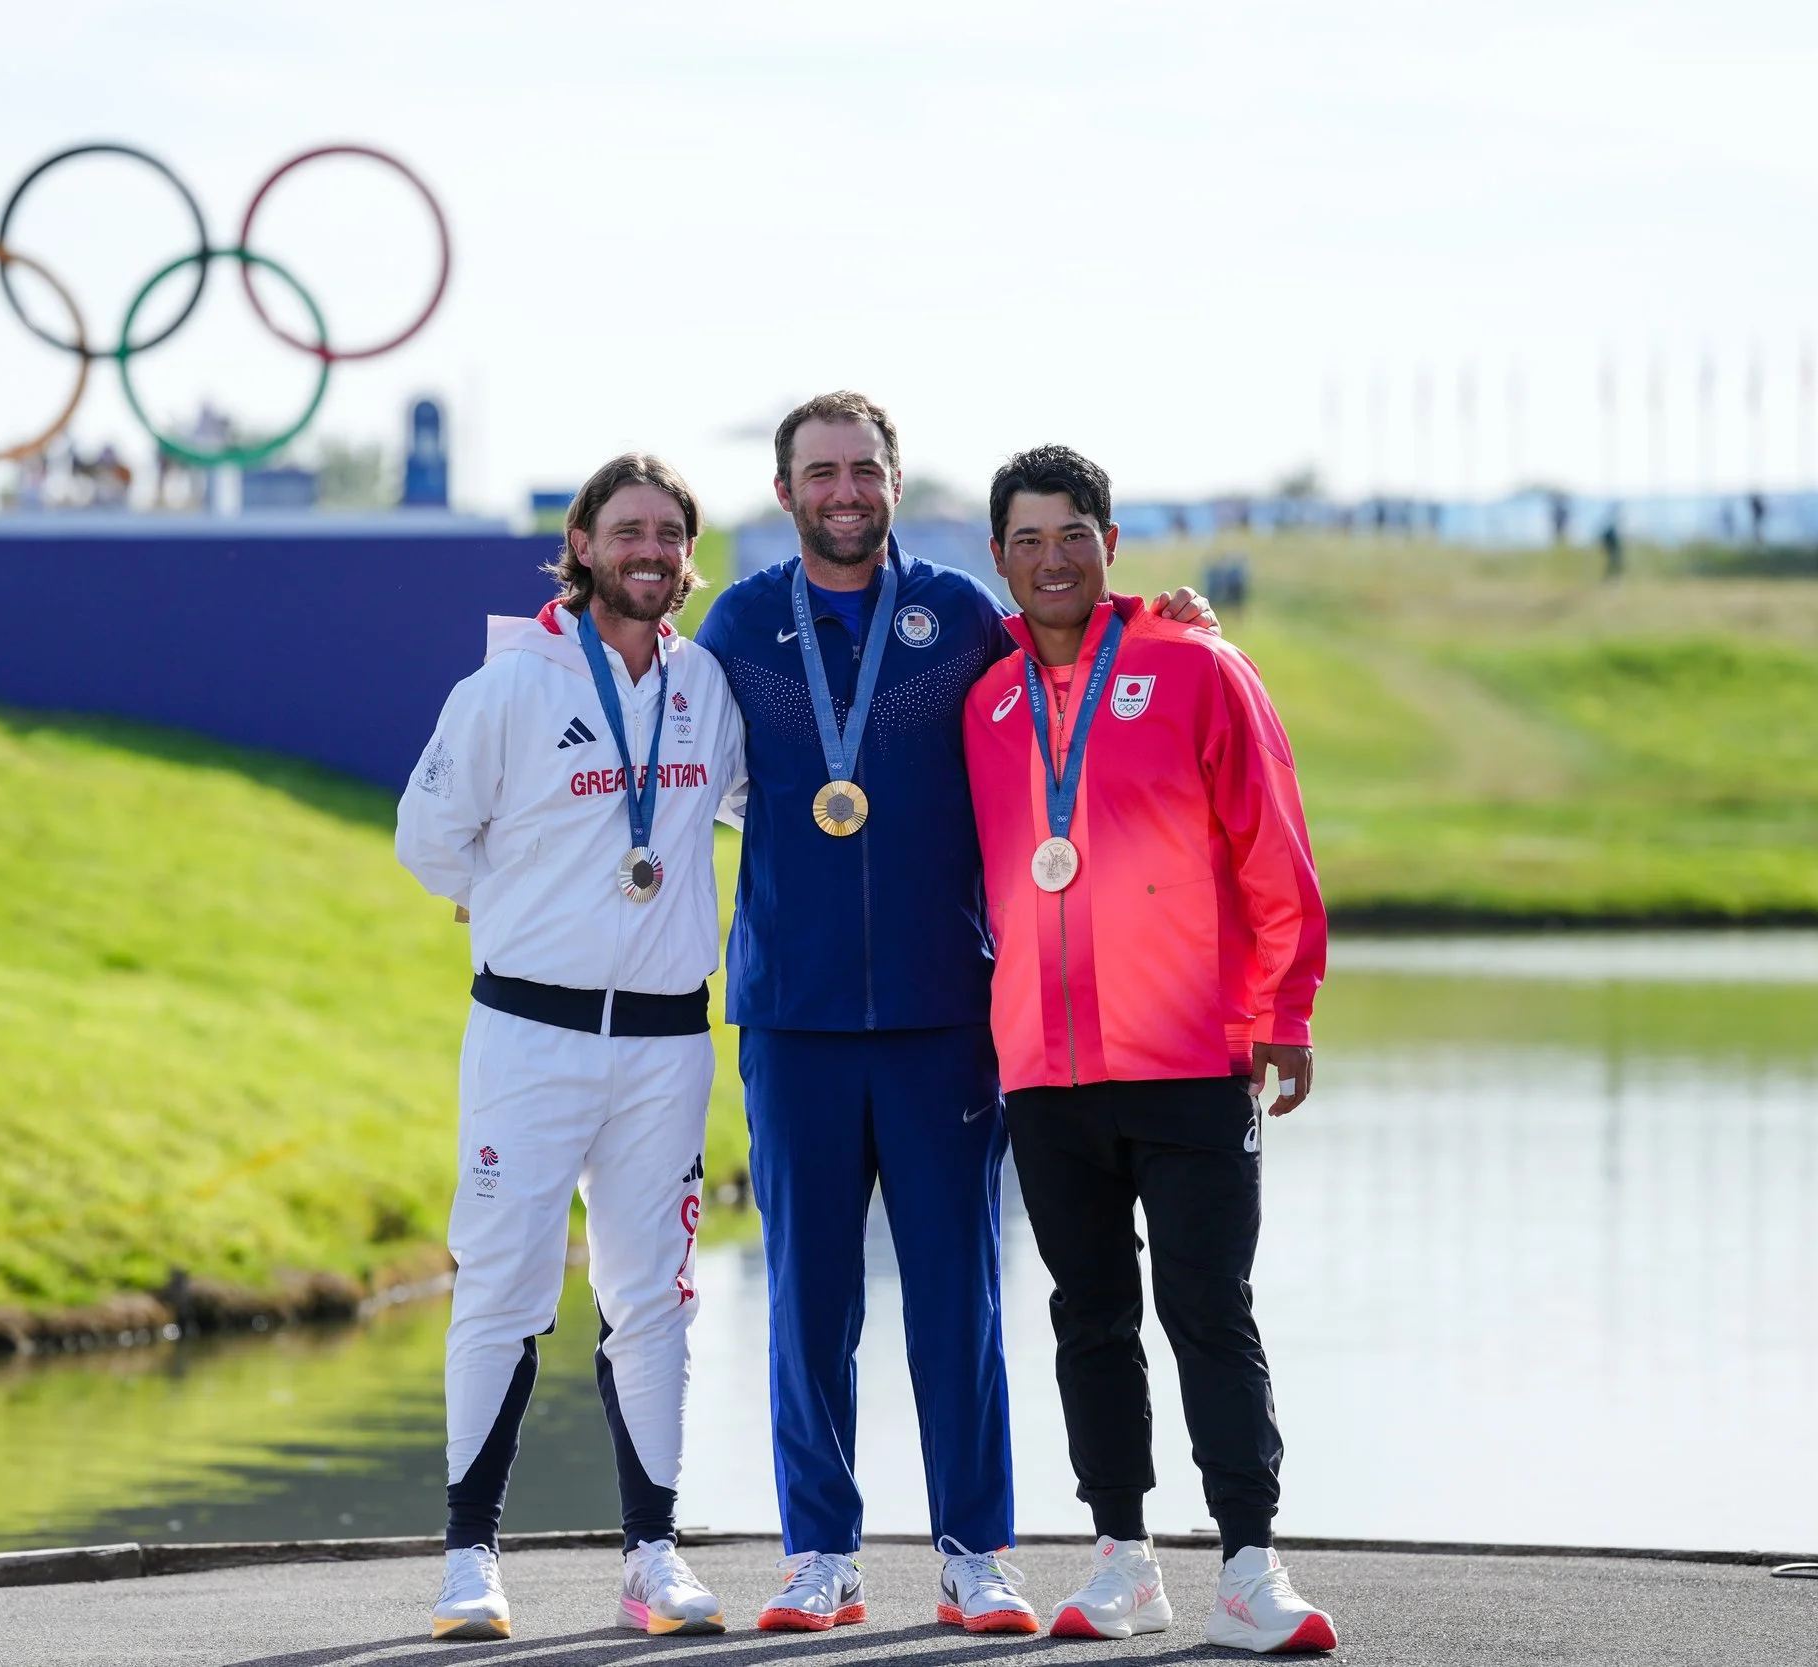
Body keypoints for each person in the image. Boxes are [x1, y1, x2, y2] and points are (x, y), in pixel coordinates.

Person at [693, 393, 1211, 1635]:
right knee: (808, 1301)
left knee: (958, 1295)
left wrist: (1168, 622)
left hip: (946, 1010)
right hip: (795, 1013)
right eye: (819, 471)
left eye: (863, 469)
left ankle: (977, 1548)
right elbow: (663, 727)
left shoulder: (962, 620)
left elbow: (1072, 672)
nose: (843, 490)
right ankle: (820, 1551)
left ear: (893, 479)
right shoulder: (743, 622)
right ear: (784, 492)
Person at [963, 445, 1336, 1653]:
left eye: (1072, 533)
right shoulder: (987, 701)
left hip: (1188, 1053)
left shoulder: (1195, 665)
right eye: (1026, 540)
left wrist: (1283, 1010)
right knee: (1088, 1314)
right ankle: (1121, 1555)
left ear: (1110, 541)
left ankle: (1249, 1561)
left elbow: (1272, 848)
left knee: (1207, 1306)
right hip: (1044, 1064)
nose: (1051, 559)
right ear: (999, 559)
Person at [395, 454, 747, 1641]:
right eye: (628, 530)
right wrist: (505, 897)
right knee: (501, 1286)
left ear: (687, 556)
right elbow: (427, 837)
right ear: (583, 544)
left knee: (654, 1297)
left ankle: (652, 1552)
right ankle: (468, 1557)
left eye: (670, 533)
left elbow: (765, 797)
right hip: (529, 1032)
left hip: (663, 1041)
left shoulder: (706, 683)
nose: (650, 550)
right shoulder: (509, 682)